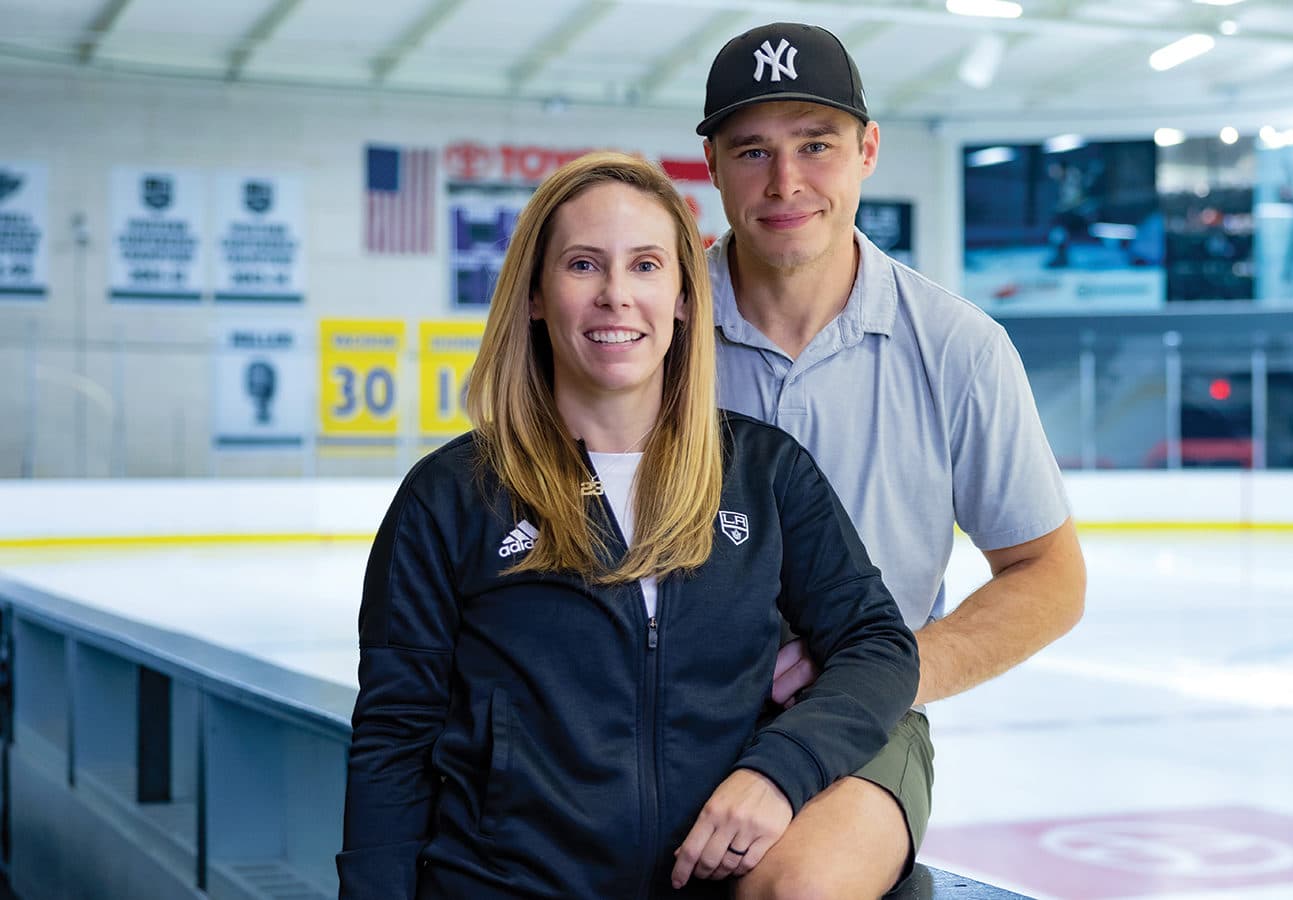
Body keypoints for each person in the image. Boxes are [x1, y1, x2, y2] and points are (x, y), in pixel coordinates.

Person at [336, 152, 917, 898]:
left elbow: (878, 646)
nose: (617, 296)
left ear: (682, 296)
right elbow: (395, 737)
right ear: (538, 296)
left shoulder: (764, 473)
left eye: (646, 266)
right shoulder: (451, 496)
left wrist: (780, 771)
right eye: (583, 265)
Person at [696, 22, 1088, 898]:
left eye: (817, 145)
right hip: (658, 702)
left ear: (867, 150)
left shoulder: (958, 348)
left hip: (860, 720)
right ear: (712, 168)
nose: (786, 181)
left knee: (794, 892)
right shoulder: (656, 327)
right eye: (753, 150)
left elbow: (1049, 575)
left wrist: (888, 671)